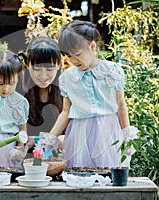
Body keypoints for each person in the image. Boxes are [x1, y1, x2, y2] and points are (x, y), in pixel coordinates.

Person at [49, 20, 133, 168]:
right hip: (79, 131)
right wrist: (50, 137)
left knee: (109, 174)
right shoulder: (68, 78)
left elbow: (121, 105)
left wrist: (127, 136)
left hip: (108, 130)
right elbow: (66, 112)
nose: (74, 60)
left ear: (92, 46)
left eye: (77, 54)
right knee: (80, 175)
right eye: (69, 56)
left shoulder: (112, 71)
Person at [17, 36, 64, 151]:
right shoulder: (16, 91)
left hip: (57, 161)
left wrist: (39, 139)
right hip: (22, 162)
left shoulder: (67, 93)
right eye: (37, 69)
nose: (43, 76)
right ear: (27, 64)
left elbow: (72, 137)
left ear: (59, 64)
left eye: (49, 69)